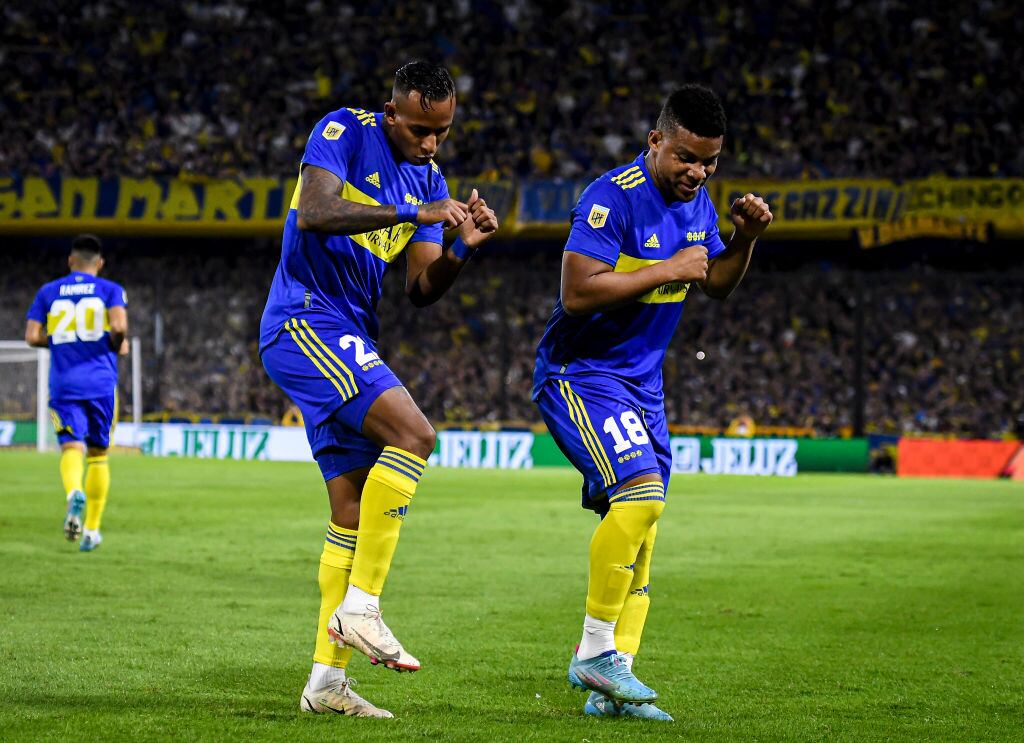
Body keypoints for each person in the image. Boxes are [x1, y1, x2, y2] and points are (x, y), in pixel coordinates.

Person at [259, 60, 498, 718]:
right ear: (392, 113)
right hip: (304, 317)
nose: (431, 145)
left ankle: (325, 682)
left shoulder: (430, 176)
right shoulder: (344, 131)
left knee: (352, 510)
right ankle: (361, 607)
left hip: (350, 328)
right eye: (421, 130)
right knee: (416, 434)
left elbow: (421, 288)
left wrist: (460, 248)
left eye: (442, 134)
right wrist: (412, 208)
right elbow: (313, 211)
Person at [532, 85, 773, 721]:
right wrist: (666, 267)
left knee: (644, 532)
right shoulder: (611, 198)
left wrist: (743, 240)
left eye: (710, 163)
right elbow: (578, 293)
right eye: (687, 158)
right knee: (641, 492)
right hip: (580, 373)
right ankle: (593, 653)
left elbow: (715, 282)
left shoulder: (699, 203)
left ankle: (616, 685)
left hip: (643, 386)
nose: (697, 173)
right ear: (656, 141)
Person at [25, 234, 129, 552]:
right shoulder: (110, 289)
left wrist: (59, 340)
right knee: (98, 456)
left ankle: (73, 493)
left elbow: (31, 336)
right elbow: (120, 328)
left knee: (71, 447)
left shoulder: (48, 291)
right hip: (100, 383)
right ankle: (92, 531)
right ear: (100, 263)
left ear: (71, 261)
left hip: (64, 383)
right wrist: (113, 342)